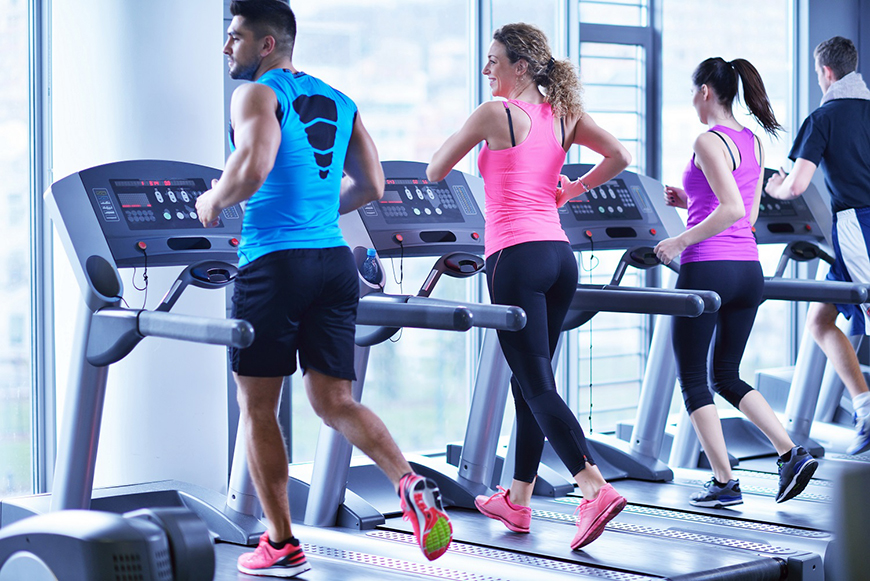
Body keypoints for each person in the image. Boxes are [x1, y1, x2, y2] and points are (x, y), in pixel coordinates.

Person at [196, 1, 452, 576]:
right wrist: (315, 213)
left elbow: (254, 165)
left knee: (257, 407)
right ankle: (408, 484)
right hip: (333, 262)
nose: (226, 48)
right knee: (336, 401)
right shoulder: (341, 100)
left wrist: (214, 198)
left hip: (273, 266)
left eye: (234, 37)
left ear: (266, 46)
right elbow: (374, 185)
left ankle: (281, 544)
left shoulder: (256, 94)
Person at [427, 22, 630, 550]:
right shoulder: (562, 114)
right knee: (530, 381)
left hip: (515, 257)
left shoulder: (496, 113)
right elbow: (620, 156)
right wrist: (573, 189)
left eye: (494, 60)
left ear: (520, 66)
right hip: (560, 259)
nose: (486, 68)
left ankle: (593, 487)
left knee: (536, 383)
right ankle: (517, 499)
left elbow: (433, 170)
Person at [654, 57, 819, 508]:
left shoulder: (707, 140)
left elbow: (729, 211)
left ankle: (725, 483)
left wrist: (678, 240)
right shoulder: (751, 141)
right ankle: (791, 453)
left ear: (706, 90)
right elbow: (747, 213)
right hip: (748, 270)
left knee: (694, 379)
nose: (692, 100)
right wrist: (690, 200)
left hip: (709, 266)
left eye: (693, 91)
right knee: (726, 374)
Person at [765, 36, 870, 457]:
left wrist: (776, 187)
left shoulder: (823, 117)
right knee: (820, 321)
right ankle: (865, 408)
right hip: (854, 231)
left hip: (857, 226)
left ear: (825, 72)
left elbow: (797, 184)